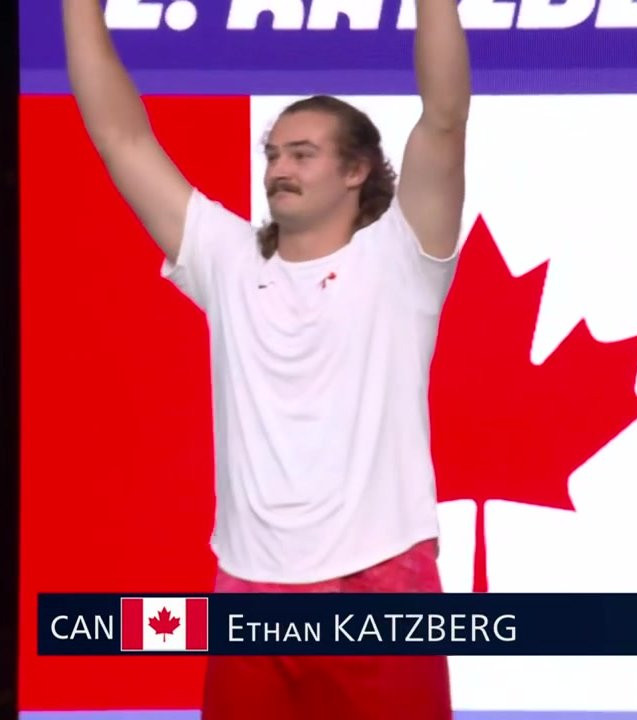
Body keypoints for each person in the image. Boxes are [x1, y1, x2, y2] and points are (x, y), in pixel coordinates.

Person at [63, 1, 471, 717]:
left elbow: (443, 116)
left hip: (383, 593)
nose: (278, 168)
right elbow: (120, 136)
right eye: (273, 154)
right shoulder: (223, 258)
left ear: (357, 172)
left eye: (302, 154)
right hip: (249, 597)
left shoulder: (402, 258)